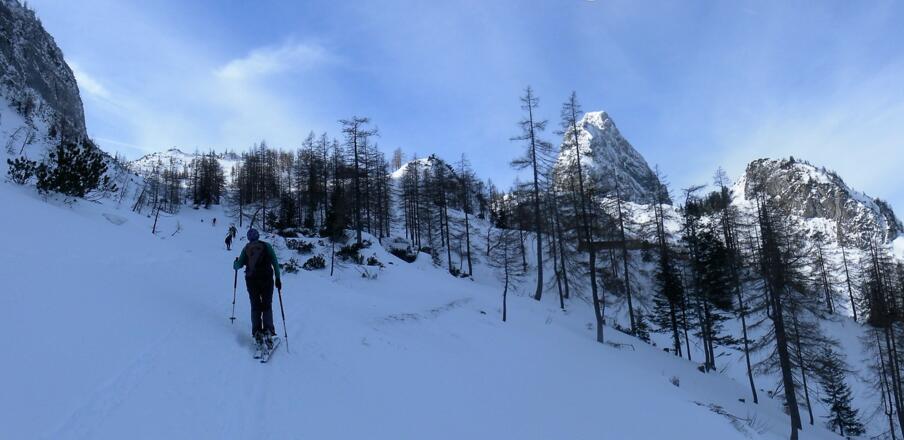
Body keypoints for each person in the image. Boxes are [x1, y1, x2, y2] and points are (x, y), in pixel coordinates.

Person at [233, 228, 282, 349]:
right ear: (258, 236)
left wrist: (235, 263)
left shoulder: (247, 249)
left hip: (252, 281)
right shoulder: (267, 246)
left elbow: (238, 266)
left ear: (249, 237)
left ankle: (257, 332)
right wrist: (278, 278)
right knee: (266, 304)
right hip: (267, 279)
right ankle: (268, 331)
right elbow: (275, 262)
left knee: (255, 305)